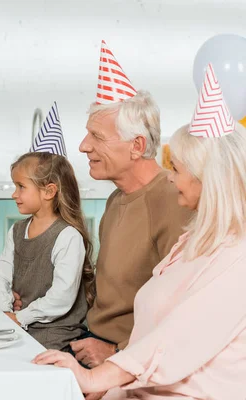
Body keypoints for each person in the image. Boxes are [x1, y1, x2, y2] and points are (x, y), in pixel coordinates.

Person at [33, 65, 246, 399]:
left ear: (136, 146)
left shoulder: (222, 245)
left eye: (177, 167)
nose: (83, 146)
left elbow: (178, 334)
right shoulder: (186, 231)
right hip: (123, 369)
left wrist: (108, 366)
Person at [64, 42, 192, 374]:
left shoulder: (173, 198)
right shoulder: (115, 198)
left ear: (136, 146)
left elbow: (186, 310)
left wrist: (117, 351)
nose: (83, 145)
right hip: (91, 341)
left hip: (128, 358)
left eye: (96, 136)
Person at [0, 152, 94, 351]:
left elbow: (61, 297)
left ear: (48, 191)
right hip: (20, 328)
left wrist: (20, 318)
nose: (14, 194)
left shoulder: (67, 236)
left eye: (21, 187)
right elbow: (1, 274)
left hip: (55, 336)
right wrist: (4, 310)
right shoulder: (17, 230)